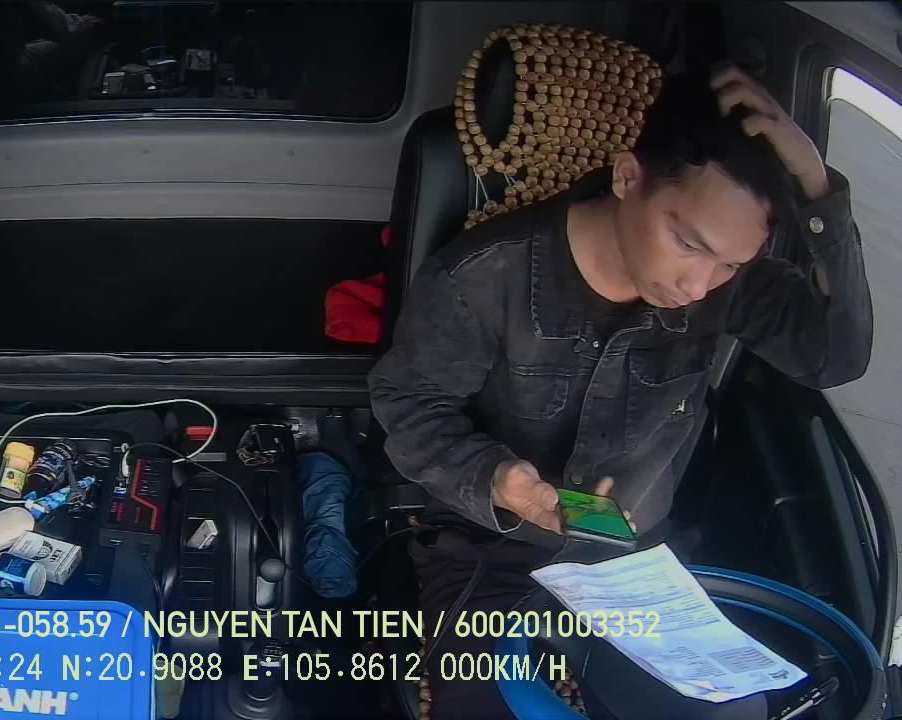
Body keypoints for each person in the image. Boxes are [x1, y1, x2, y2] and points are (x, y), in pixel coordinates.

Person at [369, 65, 872, 719]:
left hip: (637, 556)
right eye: (687, 244)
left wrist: (818, 188)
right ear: (628, 177)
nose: (699, 284)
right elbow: (409, 405)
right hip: (495, 548)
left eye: (729, 264)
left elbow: (833, 357)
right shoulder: (482, 279)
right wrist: (497, 479)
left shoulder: (728, 289)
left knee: (729, 709)